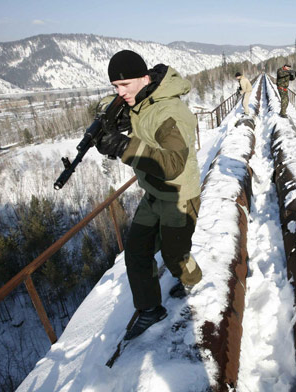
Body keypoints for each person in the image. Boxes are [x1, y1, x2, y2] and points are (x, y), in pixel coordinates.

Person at [96, 50, 203, 340]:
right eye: (115, 87)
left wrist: (123, 147)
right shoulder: (139, 99)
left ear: (145, 78)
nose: (121, 92)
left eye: (125, 85)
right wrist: (111, 121)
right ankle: (150, 309)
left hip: (179, 195)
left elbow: (171, 165)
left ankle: (194, 281)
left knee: (175, 257)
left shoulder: (170, 112)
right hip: (153, 193)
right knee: (136, 252)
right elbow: (126, 108)